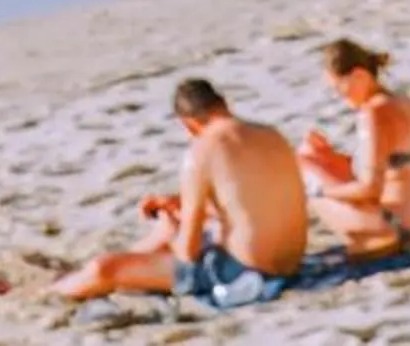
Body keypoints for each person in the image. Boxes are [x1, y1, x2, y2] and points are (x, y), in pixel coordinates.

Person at [56, 77, 308, 309]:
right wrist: (182, 206)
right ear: (222, 103)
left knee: (105, 268)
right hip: (290, 262)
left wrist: (173, 225)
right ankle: (87, 271)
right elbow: (253, 201)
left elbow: (187, 252)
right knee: (167, 232)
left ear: (189, 124)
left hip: (243, 271)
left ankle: (53, 290)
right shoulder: (271, 134)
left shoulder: (203, 149)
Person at [299, 37, 410, 255]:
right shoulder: (398, 101)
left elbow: (370, 188)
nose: (340, 98)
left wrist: (321, 191)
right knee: (314, 159)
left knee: (309, 178)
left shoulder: (375, 112)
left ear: (359, 76)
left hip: (397, 230)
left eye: (339, 89)